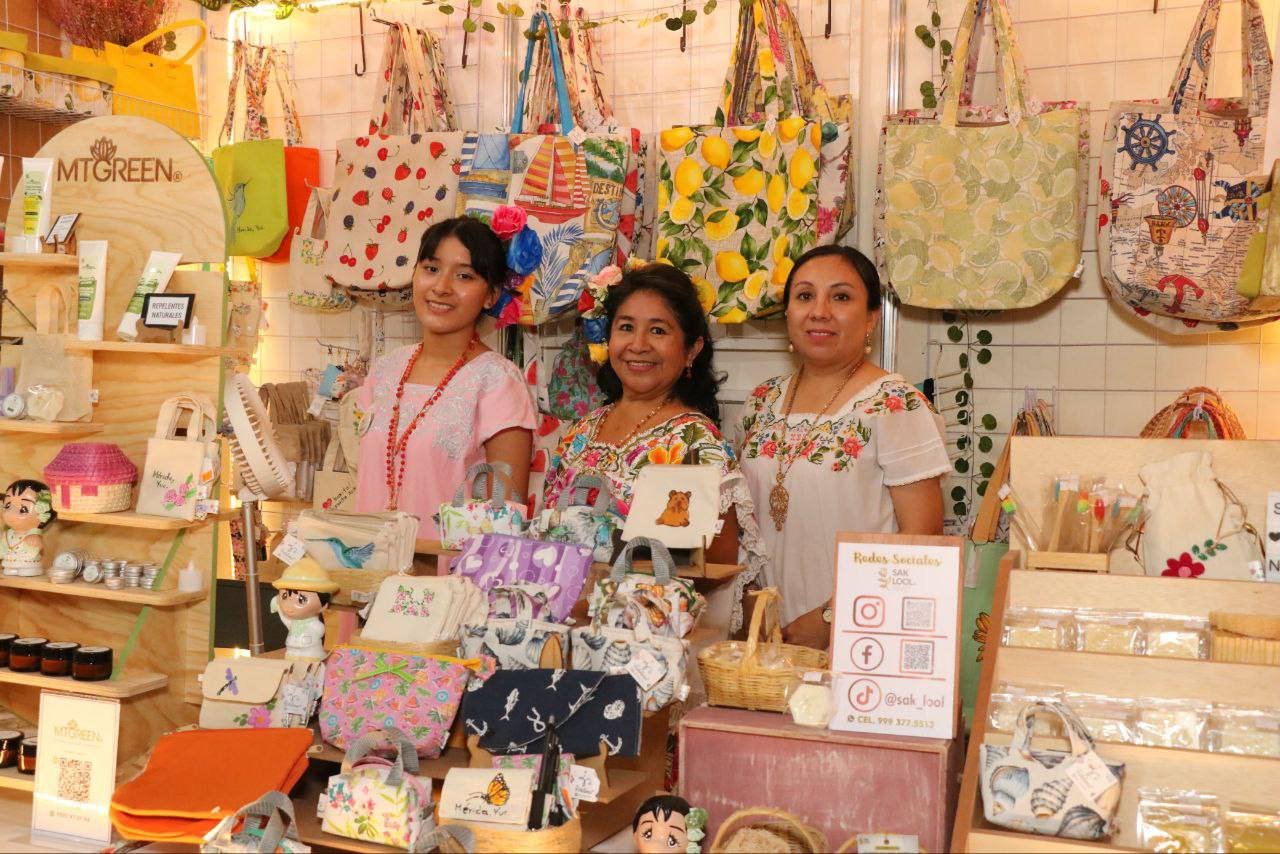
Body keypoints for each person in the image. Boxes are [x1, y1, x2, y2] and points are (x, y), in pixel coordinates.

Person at [740, 245, 948, 649]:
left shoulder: (895, 404)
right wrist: (748, 603)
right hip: (764, 640)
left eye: (840, 297)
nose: (819, 311)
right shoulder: (761, 402)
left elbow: (923, 540)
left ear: (871, 318)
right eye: (805, 296)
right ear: (788, 313)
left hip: (859, 638)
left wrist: (832, 618)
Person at [542, 263, 769, 631]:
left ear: (692, 349)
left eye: (658, 330)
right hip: (559, 632)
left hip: (644, 640)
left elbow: (714, 568)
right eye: (626, 327)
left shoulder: (696, 444)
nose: (638, 344)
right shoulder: (580, 432)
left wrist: (607, 604)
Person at [354, 217, 536, 537]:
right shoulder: (385, 371)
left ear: (491, 295)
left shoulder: (498, 382)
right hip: (369, 562)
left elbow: (504, 524)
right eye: (431, 268)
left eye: (464, 275)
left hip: (447, 569)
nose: (441, 287)